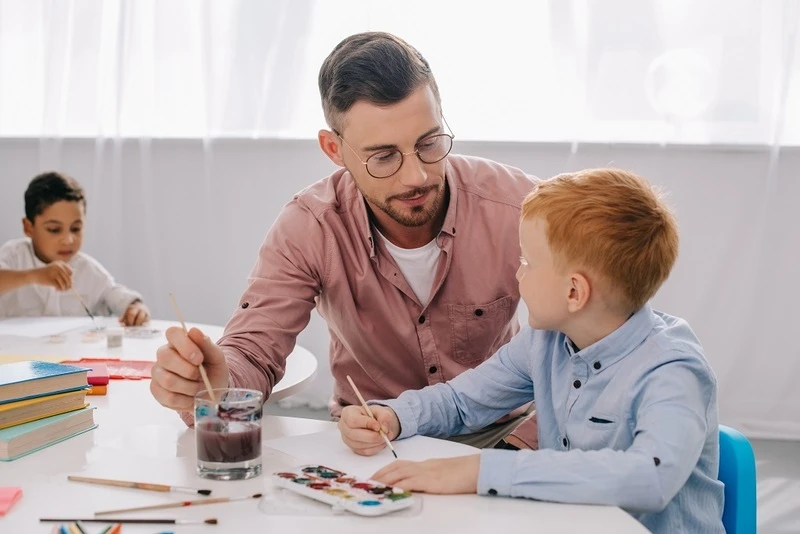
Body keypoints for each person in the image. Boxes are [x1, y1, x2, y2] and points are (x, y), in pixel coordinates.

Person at [149, 31, 540, 449]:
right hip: (371, 443)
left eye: (429, 143)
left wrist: (519, 450)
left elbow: (602, 340)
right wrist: (213, 384)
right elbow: (255, 351)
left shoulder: (521, 207)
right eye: (384, 157)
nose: (417, 176)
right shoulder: (310, 227)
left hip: (503, 434)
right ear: (333, 148)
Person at [338, 168, 725, 534]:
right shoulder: (547, 339)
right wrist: (393, 415)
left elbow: (650, 476)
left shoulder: (674, 370)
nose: (517, 273)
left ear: (574, 292)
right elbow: (463, 401)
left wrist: (482, 470)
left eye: (526, 261)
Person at [0, 171, 151, 326]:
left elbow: (117, 295)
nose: (68, 239)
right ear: (29, 227)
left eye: (76, 228)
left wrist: (136, 307)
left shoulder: (88, 270)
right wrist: (33, 276)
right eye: (54, 229)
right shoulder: (14, 255)